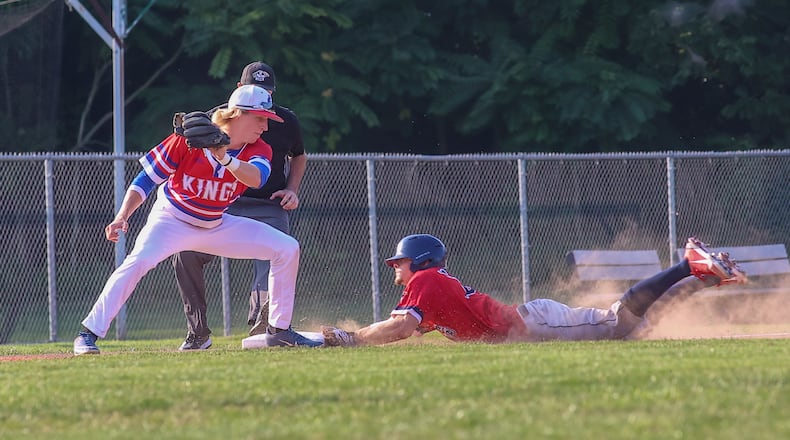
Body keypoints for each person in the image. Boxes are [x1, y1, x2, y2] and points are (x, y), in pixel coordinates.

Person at [73, 84, 321, 355]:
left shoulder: (259, 148)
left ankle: (279, 331)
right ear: (237, 113)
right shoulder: (190, 138)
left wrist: (225, 159)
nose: (265, 126)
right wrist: (122, 216)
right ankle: (88, 334)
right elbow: (147, 178)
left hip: (216, 224)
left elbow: (257, 177)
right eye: (260, 118)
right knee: (138, 261)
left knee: (287, 248)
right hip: (171, 220)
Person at [321, 234, 747, 346]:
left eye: (400, 262)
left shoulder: (426, 282)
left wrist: (352, 338)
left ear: (422, 262)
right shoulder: (429, 287)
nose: (396, 269)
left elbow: (396, 329)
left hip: (532, 324)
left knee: (620, 322)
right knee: (637, 327)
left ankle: (686, 262)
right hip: (532, 320)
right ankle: (707, 276)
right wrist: (353, 336)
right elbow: (402, 329)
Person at [172, 61, 307, 350]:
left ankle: (266, 323)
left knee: (277, 251)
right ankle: (198, 333)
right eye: (254, 91)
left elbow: (299, 155)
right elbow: (189, 157)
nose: (262, 99)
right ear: (239, 92)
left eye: (267, 92)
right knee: (185, 253)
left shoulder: (284, 121)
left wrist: (292, 189)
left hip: (268, 204)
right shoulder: (216, 120)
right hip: (223, 203)